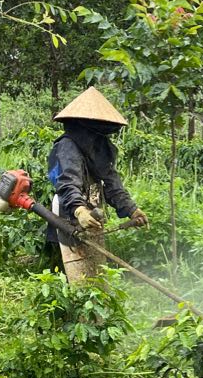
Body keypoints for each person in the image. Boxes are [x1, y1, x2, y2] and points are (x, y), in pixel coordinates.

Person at [46, 87, 149, 281]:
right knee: (78, 272)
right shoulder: (68, 146)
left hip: (93, 208)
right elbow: (68, 182)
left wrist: (131, 209)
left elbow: (111, 181)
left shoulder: (100, 148)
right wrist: (79, 210)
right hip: (69, 210)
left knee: (96, 268)